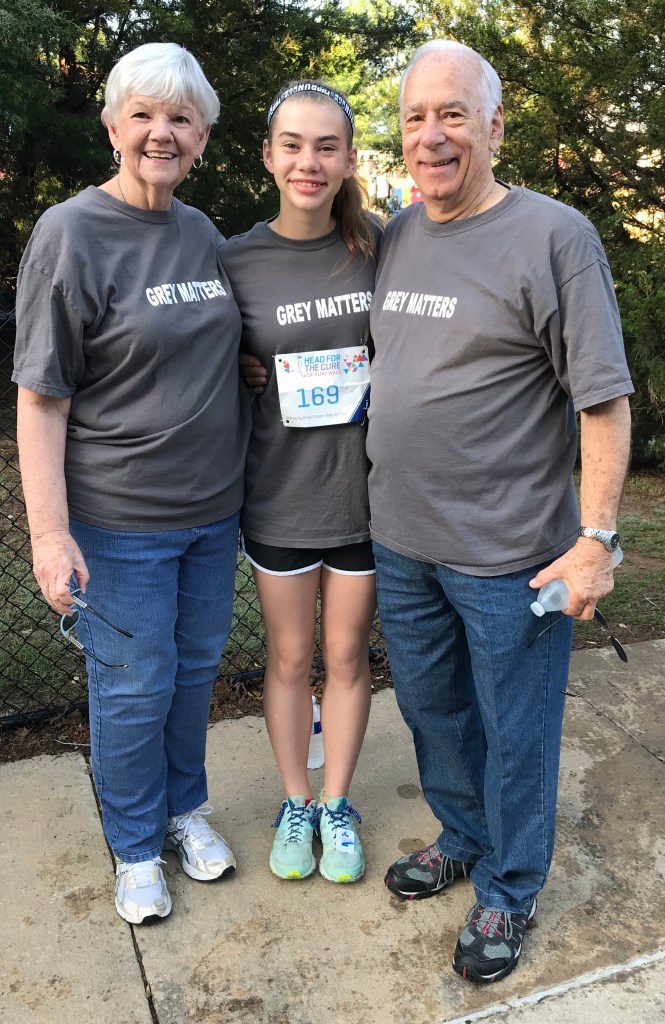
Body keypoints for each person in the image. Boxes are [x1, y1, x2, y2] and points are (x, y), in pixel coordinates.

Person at [366, 40, 633, 982]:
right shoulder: (398, 233)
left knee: (515, 732)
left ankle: (509, 889)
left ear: (493, 124)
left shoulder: (555, 236)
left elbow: (601, 399)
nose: (431, 136)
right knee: (436, 714)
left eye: (452, 115)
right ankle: (460, 835)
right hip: (400, 542)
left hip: (510, 556)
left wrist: (594, 539)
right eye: (414, 117)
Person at [12, 42, 250, 924]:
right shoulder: (71, 232)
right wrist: (49, 533)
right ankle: (136, 848)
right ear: (112, 126)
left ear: (203, 137)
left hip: (211, 514)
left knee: (191, 677)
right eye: (143, 114)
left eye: (180, 117)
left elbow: (218, 350)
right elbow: (40, 398)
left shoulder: (200, 233)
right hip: (118, 522)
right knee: (131, 686)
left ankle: (186, 811)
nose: (162, 132)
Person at [220, 80, 380, 884]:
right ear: (268, 155)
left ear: (349, 159)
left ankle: (337, 804)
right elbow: (197, 358)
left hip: (364, 499)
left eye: (326, 146)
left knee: (347, 659)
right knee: (288, 660)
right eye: (293, 144)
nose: (309, 161)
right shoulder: (235, 257)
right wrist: (241, 371)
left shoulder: (382, 246)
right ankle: (294, 800)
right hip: (277, 497)